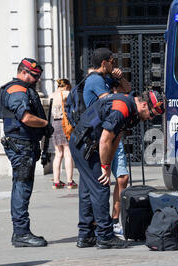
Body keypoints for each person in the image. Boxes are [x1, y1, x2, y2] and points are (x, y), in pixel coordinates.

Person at [70, 91, 165, 249]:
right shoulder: (122, 108)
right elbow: (105, 139)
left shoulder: (131, 111)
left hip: (86, 144)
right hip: (85, 145)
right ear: (143, 105)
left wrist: (108, 162)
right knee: (101, 186)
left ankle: (86, 234)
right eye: (151, 113)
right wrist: (105, 167)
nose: (150, 118)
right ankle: (105, 236)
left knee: (88, 189)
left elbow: (115, 139)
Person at [0, 58, 54, 247]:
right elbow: (26, 117)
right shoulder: (16, 90)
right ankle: (21, 233)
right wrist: (45, 124)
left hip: (24, 144)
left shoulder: (23, 89)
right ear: (23, 72)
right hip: (20, 145)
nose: (37, 79)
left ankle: (21, 232)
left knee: (22, 187)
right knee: (22, 188)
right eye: (35, 76)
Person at [84, 48, 132, 239]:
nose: (114, 64)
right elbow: (109, 102)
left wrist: (119, 79)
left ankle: (114, 221)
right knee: (101, 181)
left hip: (114, 134)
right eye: (112, 61)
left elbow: (126, 89)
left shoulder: (106, 78)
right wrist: (119, 97)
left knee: (122, 179)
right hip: (101, 137)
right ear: (104, 62)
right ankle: (99, 225)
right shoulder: (96, 80)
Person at [48, 79, 77, 189]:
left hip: (54, 124)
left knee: (58, 153)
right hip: (64, 124)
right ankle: (70, 181)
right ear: (67, 86)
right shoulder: (65, 93)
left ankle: (56, 181)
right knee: (67, 152)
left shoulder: (52, 95)